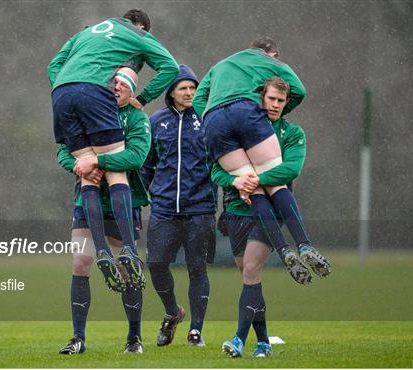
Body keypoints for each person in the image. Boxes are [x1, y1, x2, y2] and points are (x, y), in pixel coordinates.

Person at [48, 9, 179, 291]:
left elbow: (53, 66)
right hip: (94, 92)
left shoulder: (86, 31)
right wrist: (142, 99)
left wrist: (68, 90)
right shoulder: (138, 34)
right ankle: (128, 250)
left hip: (60, 93)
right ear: (141, 26)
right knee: (115, 172)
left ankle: (103, 254)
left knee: (88, 173)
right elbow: (170, 67)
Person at [193, 37, 329, 285]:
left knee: (253, 187)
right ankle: (304, 245)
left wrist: (209, 116)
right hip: (246, 113)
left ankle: (284, 251)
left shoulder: (221, 64)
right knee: (275, 183)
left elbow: (197, 99)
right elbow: (298, 89)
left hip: (213, 122)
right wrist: (269, 116)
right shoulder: (269, 61)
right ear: (273, 54)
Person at [211, 77, 328, 357]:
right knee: (251, 279)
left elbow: (290, 170)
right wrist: (235, 181)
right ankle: (263, 342)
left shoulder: (291, 132)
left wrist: (256, 179)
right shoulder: (237, 128)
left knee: (251, 269)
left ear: (287, 103)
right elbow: (215, 171)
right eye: (271, 98)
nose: (275, 105)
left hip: (270, 213)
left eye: (280, 100)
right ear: (261, 97)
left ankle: (238, 339)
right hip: (237, 212)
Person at [57, 68, 151, 354]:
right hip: (86, 201)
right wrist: (77, 164)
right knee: (80, 262)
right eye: (113, 82)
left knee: (127, 267)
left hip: (123, 202)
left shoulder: (137, 119)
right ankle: (77, 339)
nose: (116, 87)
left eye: (123, 84)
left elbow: (136, 155)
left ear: (132, 91)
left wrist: (95, 162)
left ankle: (134, 339)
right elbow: (63, 149)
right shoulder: (87, 111)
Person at [141, 65, 217, 347]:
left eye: (192, 88)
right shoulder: (156, 121)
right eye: (183, 88)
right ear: (171, 92)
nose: (189, 92)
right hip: (163, 209)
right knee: (156, 265)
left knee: (197, 268)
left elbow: (220, 162)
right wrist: (142, 199)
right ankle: (172, 313)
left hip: (200, 208)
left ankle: (196, 330)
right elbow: (146, 166)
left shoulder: (207, 120)